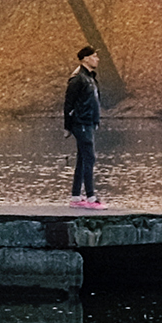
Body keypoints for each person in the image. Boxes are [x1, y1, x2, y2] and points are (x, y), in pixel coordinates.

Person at [63, 44, 103, 207]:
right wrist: (67, 127)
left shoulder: (90, 77)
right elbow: (68, 104)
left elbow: (92, 102)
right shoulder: (78, 78)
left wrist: (95, 121)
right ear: (86, 59)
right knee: (89, 157)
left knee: (82, 159)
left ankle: (76, 197)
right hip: (81, 123)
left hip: (89, 123)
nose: (97, 59)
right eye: (94, 56)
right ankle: (91, 198)